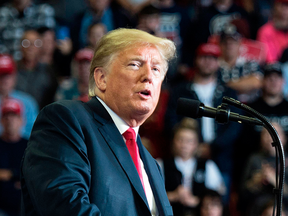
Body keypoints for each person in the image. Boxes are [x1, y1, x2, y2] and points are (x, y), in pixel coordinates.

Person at [21, 28, 176, 216]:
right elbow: (67, 207)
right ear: (101, 78)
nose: (148, 76)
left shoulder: (152, 165)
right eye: (135, 64)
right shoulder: (65, 120)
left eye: (156, 69)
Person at [164, 42, 242, 205]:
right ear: (196, 60)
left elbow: (235, 127)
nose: (207, 61)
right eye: (204, 57)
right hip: (184, 153)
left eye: (212, 58)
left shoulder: (228, 93)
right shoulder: (180, 90)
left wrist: (213, 146)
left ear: (218, 62)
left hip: (221, 156)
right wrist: (190, 144)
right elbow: (171, 119)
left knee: (218, 205)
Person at [158, 118, 225, 216]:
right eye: (180, 140)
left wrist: (198, 200)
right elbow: (149, 194)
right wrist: (172, 196)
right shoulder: (160, 164)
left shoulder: (207, 166)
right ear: (173, 141)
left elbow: (219, 193)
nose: (184, 145)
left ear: (196, 144)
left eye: (189, 141)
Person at [238, 122, 288, 216]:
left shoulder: (286, 160)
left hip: (283, 207)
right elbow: (243, 194)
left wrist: (275, 180)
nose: (270, 137)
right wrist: (257, 181)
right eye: (266, 133)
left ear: (284, 138)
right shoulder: (254, 159)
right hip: (258, 207)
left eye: (275, 133)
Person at [218, 24, 263, 103]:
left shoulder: (250, 63)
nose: (229, 45)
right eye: (225, 42)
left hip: (249, 107)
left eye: (232, 42)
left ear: (239, 44)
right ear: (220, 45)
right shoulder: (215, 65)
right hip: (222, 106)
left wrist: (225, 85)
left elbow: (256, 83)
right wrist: (242, 84)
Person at [15, 29, 58, 109]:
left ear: (40, 48)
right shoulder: (13, 70)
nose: (30, 47)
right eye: (26, 43)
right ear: (20, 47)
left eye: (35, 43)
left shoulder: (48, 71)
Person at [0, 54, 38, 139]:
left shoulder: (28, 102)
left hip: (22, 148)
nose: (4, 80)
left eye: (7, 75)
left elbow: (35, 133)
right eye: (1, 75)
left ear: (14, 76)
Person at [0, 98, 28, 216]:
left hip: (25, 206)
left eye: (14, 116)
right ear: (1, 120)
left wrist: (10, 173)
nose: (10, 120)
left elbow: (33, 175)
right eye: (6, 116)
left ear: (22, 120)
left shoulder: (31, 146)